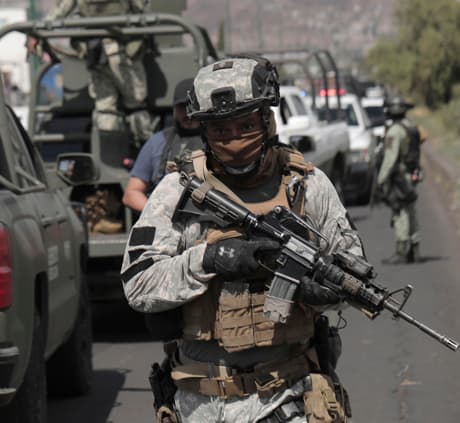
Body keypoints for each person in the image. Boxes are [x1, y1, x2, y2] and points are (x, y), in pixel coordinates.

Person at [121, 56, 363, 423]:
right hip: (200, 403)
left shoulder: (306, 185)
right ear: (204, 131)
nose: (234, 139)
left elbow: (352, 269)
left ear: (268, 121)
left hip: (289, 395)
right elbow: (138, 284)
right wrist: (209, 259)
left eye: (246, 125)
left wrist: (324, 291)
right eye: (221, 129)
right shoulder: (177, 190)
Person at [44, 0, 153, 147]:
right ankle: (145, 150)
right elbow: (145, 13)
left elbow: (56, 15)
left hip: (95, 53)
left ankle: (108, 153)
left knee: (105, 107)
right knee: (136, 104)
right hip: (125, 54)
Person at [123, 78, 202, 213]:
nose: (188, 112)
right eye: (182, 107)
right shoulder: (157, 141)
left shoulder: (219, 140)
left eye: (192, 105)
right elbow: (131, 193)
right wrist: (158, 214)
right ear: (174, 109)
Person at [376, 96, 423, 264]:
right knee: (411, 210)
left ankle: (402, 250)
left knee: (400, 211)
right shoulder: (411, 126)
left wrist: (381, 180)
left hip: (400, 177)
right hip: (411, 174)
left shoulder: (395, 131)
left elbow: (390, 158)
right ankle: (415, 247)